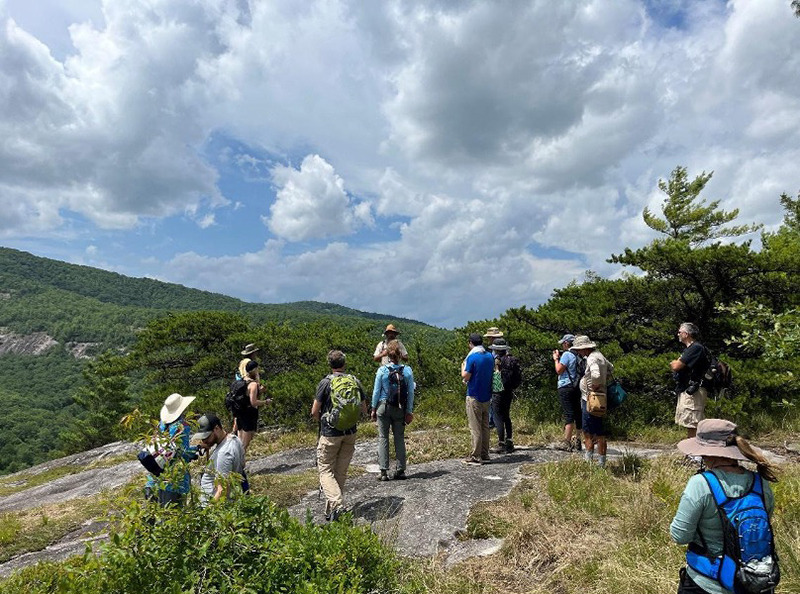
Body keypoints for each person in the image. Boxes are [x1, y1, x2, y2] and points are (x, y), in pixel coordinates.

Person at [670, 419, 780, 594]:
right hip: (756, 580)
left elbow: (680, 536)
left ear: (707, 453)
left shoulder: (700, 484)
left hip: (707, 582)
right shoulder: (760, 483)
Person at [312, 350, 368, 521]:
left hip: (330, 433)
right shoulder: (354, 381)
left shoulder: (325, 383)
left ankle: (337, 504)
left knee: (325, 471)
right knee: (341, 472)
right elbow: (364, 409)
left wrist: (322, 420)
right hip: (350, 432)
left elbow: (314, 411)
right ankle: (331, 510)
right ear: (344, 364)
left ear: (330, 365)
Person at [144, 392, 198, 507]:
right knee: (174, 511)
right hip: (175, 479)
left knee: (160, 514)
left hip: (156, 477)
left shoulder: (161, 425)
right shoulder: (182, 426)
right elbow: (182, 452)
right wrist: (196, 449)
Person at [371, 340, 416, 480]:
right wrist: (408, 411)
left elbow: (376, 392)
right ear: (400, 354)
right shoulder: (407, 371)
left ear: (388, 356)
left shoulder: (382, 370)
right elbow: (410, 393)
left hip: (384, 407)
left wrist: (373, 409)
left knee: (383, 437)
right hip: (400, 408)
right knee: (399, 438)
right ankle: (400, 470)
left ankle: (383, 471)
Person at [570, 335, 613, 467]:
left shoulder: (592, 358)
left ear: (584, 349)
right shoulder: (600, 356)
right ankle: (601, 462)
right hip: (600, 398)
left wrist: (594, 385)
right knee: (599, 430)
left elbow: (596, 374)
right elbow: (611, 368)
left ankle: (589, 461)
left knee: (588, 431)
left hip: (590, 398)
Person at [194, 413, 245, 504]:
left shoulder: (224, 453)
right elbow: (242, 465)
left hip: (214, 507)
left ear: (216, 428)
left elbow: (222, 490)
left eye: (206, 437)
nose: (203, 441)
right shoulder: (234, 439)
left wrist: (207, 512)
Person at [671, 323, 710, 439]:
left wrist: (674, 363)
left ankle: (696, 455)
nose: (678, 334)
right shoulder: (690, 349)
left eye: (679, 332)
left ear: (686, 334)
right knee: (689, 422)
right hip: (689, 390)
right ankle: (693, 453)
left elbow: (676, 366)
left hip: (695, 391)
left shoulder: (696, 348)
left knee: (693, 422)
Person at [461, 333, 495, 465]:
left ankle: (476, 455)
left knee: (475, 427)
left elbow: (466, 376)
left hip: (474, 395)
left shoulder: (472, 357)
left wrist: (462, 367)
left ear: (470, 343)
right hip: (487, 395)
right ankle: (485, 453)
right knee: (485, 426)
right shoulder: (489, 356)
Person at [488, 338, 521, 454]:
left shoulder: (495, 360)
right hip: (509, 391)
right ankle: (509, 441)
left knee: (497, 417)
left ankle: (501, 443)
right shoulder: (512, 360)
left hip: (497, 391)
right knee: (506, 415)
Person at [553, 333, 583, 451]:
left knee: (569, 414)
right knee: (577, 412)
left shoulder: (567, 354)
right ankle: (578, 439)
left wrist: (556, 359)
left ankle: (567, 441)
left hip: (565, 386)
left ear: (566, 343)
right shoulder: (579, 355)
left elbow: (559, 370)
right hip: (576, 386)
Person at [236, 360, 272, 451]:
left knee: (240, 441)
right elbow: (253, 402)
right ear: (254, 370)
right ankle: (238, 462)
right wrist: (265, 402)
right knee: (246, 441)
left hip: (240, 412)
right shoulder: (253, 384)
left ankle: (238, 461)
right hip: (249, 413)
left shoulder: (241, 381)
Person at [483, 327, 504, 429]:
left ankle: (493, 421)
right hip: (501, 379)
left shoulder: (495, 351)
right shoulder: (502, 349)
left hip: (496, 378)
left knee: (493, 400)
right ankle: (495, 420)